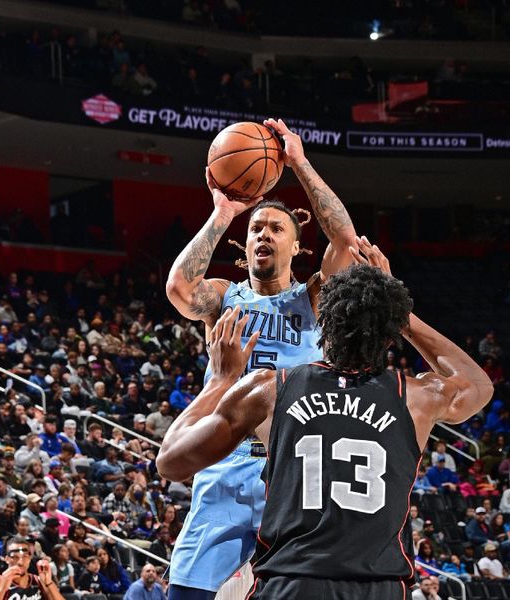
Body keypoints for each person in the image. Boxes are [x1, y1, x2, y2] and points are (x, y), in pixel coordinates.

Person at [157, 246, 494, 600]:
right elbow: (479, 384)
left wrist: (220, 380)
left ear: (323, 327)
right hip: (380, 587)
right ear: (389, 333)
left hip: (293, 582)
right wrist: (399, 311)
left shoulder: (269, 390)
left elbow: (171, 461)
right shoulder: (415, 397)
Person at [164, 117, 360, 599]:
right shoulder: (223, 296)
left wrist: (299, 162)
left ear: (296, 245)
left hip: (295, 470)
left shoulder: (315, 298)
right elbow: (179, 289)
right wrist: (224, 212)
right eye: (255, 229)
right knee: (187, 592)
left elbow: (346, 244)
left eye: (275, 228)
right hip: (225, 463)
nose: (263, 235)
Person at [0, 536, 65, 599]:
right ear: (6, 559)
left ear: (30, 558)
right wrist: (2, 589)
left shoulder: (39, 581)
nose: (20, 562)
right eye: (15, 557)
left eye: (25, 556)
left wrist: (49, 583)